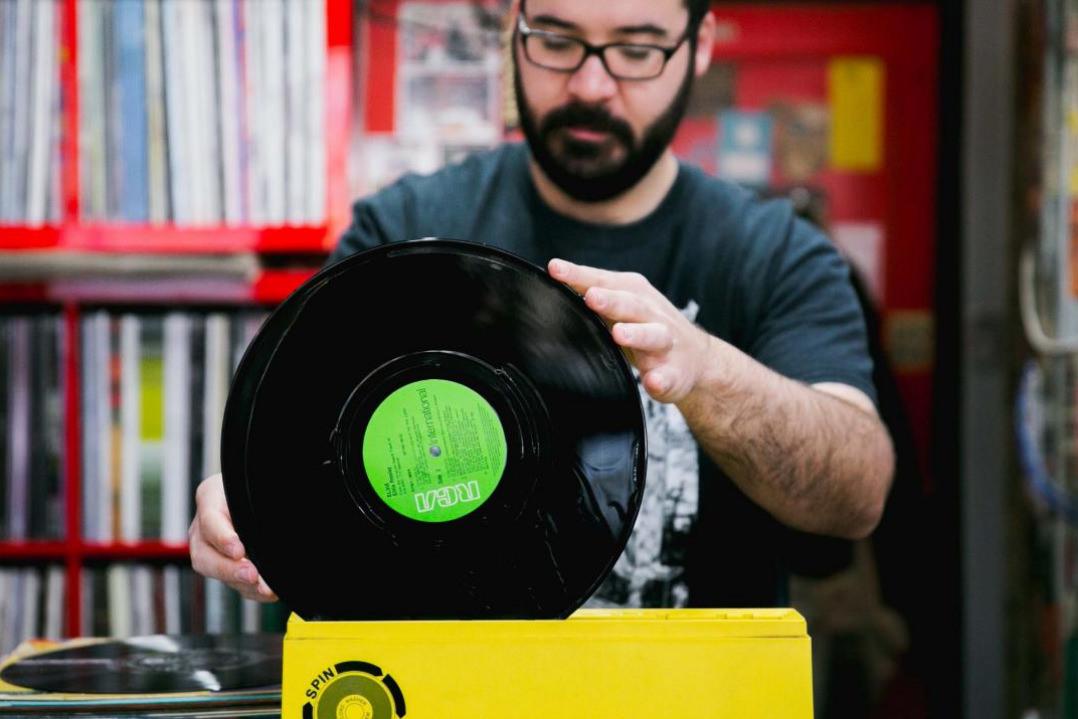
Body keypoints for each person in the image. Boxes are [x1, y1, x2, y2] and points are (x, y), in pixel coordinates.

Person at [189, 0, 895, 609]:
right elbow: (297, 447)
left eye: (637, 50)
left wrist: (706, 368)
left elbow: (857, 495)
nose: (591, 85)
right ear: (513, 30)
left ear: (699, 45)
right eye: (556, 41)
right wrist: (248, 510)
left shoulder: (777, 255)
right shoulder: (400, 228)